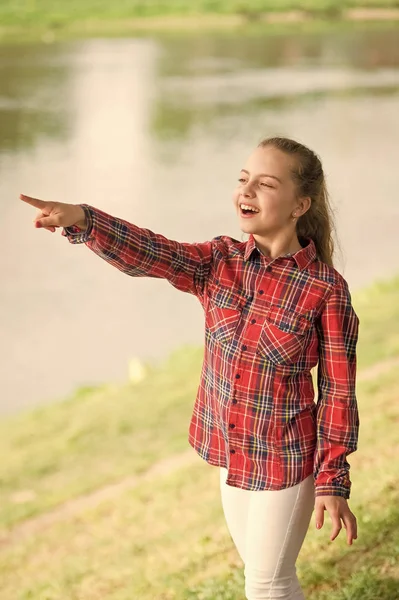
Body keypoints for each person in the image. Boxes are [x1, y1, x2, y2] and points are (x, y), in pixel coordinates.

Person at [20, 136, 359, 600]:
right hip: (228, 451)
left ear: (301, 204)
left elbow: (339, 394)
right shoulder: (218, 261)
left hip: (286, 461)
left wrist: (332, 481)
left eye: (265, 183)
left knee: (268, 585)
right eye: (243, 180)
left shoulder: (325, 289)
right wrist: (84, 219)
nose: (247, 191)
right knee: (261, 580)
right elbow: (155, 254)